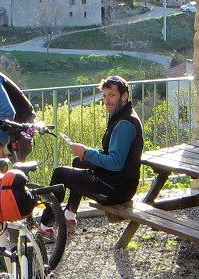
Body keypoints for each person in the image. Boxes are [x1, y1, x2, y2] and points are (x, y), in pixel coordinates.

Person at [44, 75, 144, 230]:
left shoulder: (124, 123)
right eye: (104, 96)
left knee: (60, 173)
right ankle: (69, 215)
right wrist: (86, 151)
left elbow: (115, 163)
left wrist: (87, 152)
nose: (107, 101)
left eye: (112, 95)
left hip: (116, 190)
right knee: (79, 162)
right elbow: (111, 154)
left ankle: (45, 226)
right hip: (121, 184)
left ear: (124, 96)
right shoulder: (124, 115)